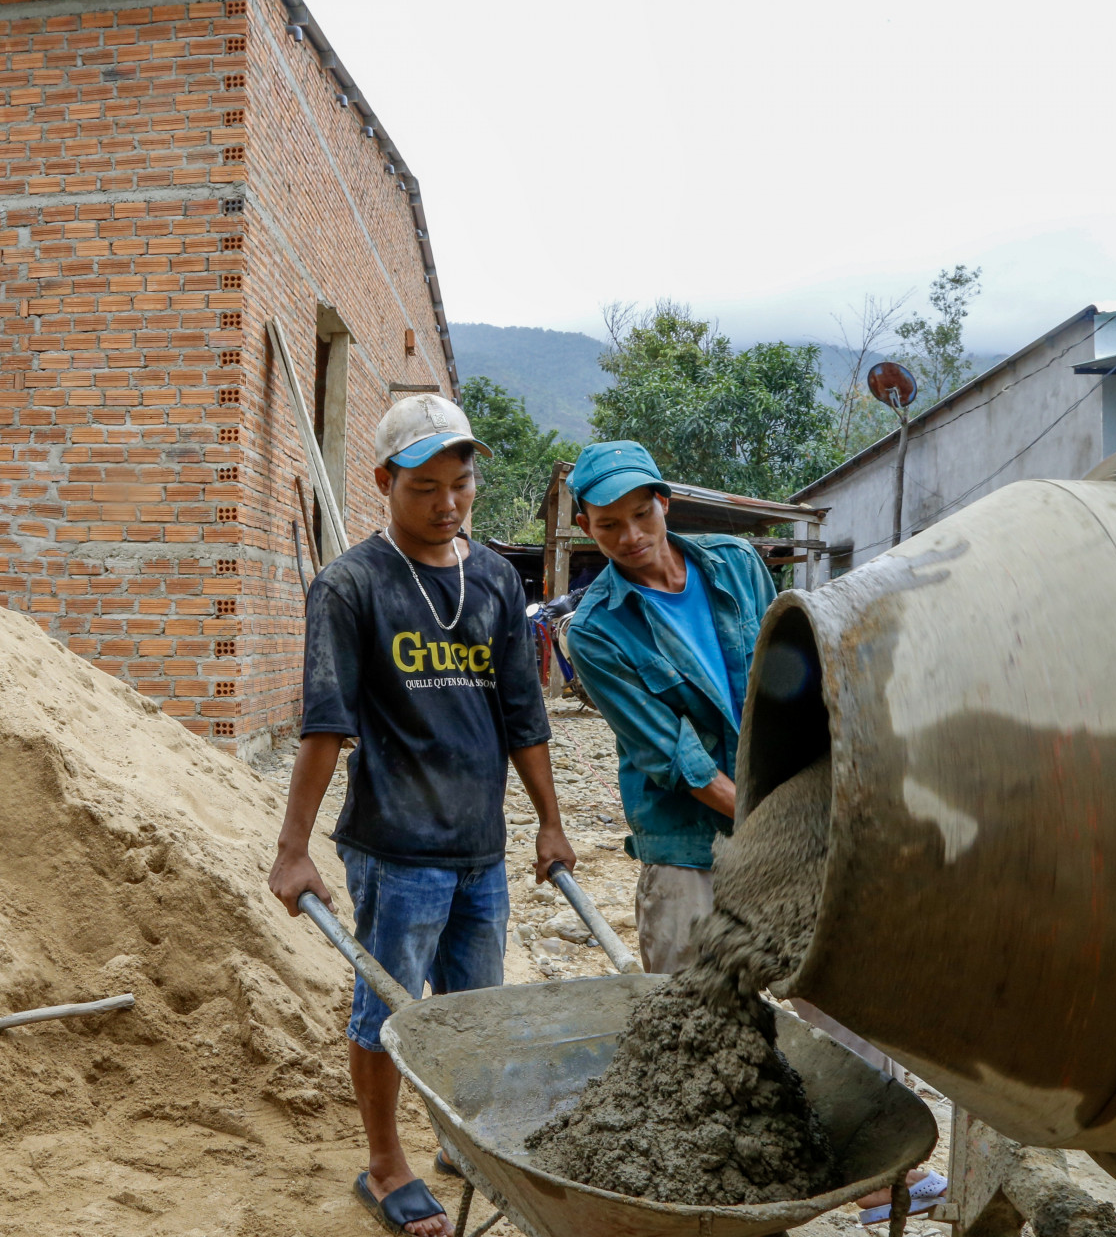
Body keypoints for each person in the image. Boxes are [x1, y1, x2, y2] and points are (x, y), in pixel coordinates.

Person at [267, 394, 576, 1237]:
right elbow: (326, 723)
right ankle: (384, 1163)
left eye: (462, 485)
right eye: (425, 487)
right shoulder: (350, 585)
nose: (448, 504)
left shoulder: (496, 581)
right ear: (383, 483)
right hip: (396, 849)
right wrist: (292, 849)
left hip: (480, 846)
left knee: (476, 1009)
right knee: (393, 1013)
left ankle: (456, 1138)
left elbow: (523, 716)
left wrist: (548, 822)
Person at [562, 441, 776, 974]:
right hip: (687, 842)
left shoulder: (736, 565)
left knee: (839, 995)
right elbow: (674, 755)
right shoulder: (596, 632)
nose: (631, 537)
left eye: (641, 514)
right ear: (587, 528)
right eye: (609, 524)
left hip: (777, 804)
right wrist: (767, 819)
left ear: (665, 503)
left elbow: (789, 678)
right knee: (691, 1015)